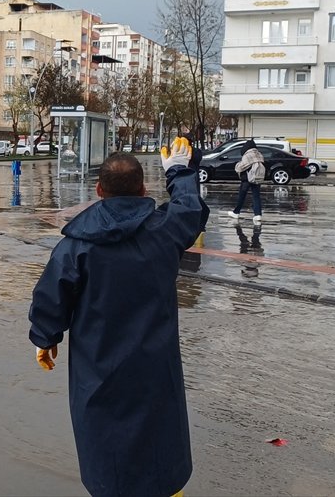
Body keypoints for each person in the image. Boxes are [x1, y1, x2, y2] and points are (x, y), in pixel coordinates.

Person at [29, 138, 209, 497]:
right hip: (155, 369)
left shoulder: (76, 246)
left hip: (98, 370)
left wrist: (45, 338)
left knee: (105, 446)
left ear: (98, 190)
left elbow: (51, 297)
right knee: (159, 441)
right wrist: (178, 170)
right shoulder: (165, 230)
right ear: (143, 188)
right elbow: (190, 209)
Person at [229, 139, 265, 223]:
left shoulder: (247, 155)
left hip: (247, 179)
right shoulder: (259, 154)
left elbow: (241, 167)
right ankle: (258, 214)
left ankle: (236, 212)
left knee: (242, 196)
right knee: (256, 196)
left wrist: (237, 165)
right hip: (257, 178)